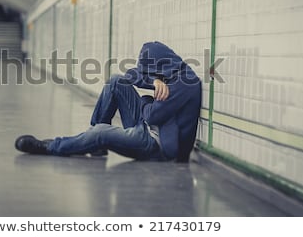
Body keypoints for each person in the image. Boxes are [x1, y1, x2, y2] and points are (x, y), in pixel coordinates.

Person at [15, 41, 201, 162]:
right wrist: (154, 81)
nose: (149, 75)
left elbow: (151, 116)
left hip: (156, 144)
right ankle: (97, 145)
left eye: (151, 72)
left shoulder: (184, 85)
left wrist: (145, 99)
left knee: (101, 132)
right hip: (146, 125)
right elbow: (132, 75)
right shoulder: (171, 70)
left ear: (159, 66)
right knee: (116, 81)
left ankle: (50, 146)